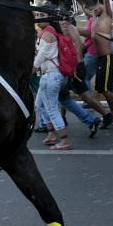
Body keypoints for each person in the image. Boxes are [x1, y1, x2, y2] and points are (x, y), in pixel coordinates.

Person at [32, 14, 73, 151]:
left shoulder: (47, 33)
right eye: (37, 15)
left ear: (50, 18)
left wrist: (28, 74)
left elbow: (39, 58)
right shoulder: (48, 31)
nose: (38, 18)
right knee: (40, 105)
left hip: (51, 76)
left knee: (51, 109)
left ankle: (65, 140)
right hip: (52, 75)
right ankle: (51, 134)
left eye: (42, 15)